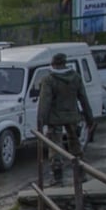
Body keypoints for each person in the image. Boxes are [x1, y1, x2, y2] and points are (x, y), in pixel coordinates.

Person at [37, 52, 94, 186]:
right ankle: (81, 174)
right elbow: (83, 99)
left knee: (55, 148)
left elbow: (45, 102)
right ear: (65, 63)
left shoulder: (49, 80)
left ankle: (57, 178)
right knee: (75, 145)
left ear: (53, 64)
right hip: (73, 117)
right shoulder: (75, 77)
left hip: (55, 119)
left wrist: (40, 123)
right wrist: (89, 118)